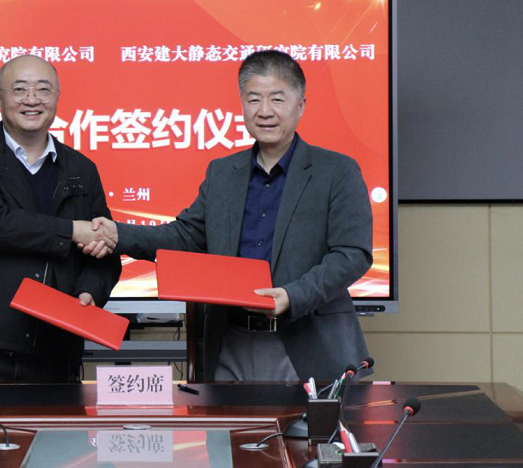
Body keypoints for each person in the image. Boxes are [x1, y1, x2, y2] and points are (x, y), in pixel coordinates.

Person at [80, 50, 372, 382]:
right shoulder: (222, 173)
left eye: (277, 99)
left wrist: (294, 296)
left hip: (308, 343)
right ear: (242, 104)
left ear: (301, 105)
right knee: (226, 418)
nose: (265, 111)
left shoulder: (337, 171)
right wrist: (118, 235)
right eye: (254, 99)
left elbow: (352, 254)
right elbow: (187, 236)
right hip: (230, 343)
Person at [0, 54, 121, 382]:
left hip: (55, 348)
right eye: (19, 89)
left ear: (57, 97)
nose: (32, 100)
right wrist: (71, 231)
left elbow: (104, 249)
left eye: (43, 90)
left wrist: (90, 291)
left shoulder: (81, 168)